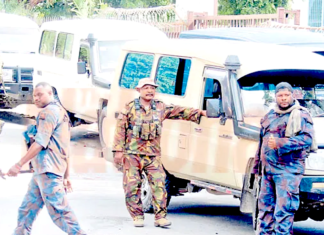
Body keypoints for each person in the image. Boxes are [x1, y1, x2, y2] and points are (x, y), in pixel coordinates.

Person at [113, 77, 207, 228]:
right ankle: (137, 216)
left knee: (159, 185)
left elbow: (179, 111)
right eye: (146, 88)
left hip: (153, 156)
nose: (150, 91)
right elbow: (120, 130)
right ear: (139, 90)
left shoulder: (160, 107)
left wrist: (200, 113)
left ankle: (160, 217)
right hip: (132, 154)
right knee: (132, 186)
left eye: (153, 88)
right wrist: (118, 151)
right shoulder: (130, 108)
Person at [6, 82, 86, 235]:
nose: (36, 98)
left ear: (51, 94)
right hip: (42, 170)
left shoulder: (47, 113)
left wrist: (18, 164)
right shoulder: (61, 112)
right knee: (27, 209)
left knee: (60, 212)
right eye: (34, 95)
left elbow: (40, 143)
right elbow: (65, 146)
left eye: (40, 95)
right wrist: (66, 175)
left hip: (48, 170)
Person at [252, 82, 316, 235]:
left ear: (292, 95)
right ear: (275, 97)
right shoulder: (269, 115)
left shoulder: (300, 114)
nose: (284, 99)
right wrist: (257, 167)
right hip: (268, 170)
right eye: (280, 95)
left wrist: (281, 143)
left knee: (284, 210)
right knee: (265, 209)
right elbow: (261, 143)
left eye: (287, 95)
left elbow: (307, 139)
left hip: (288, 170)